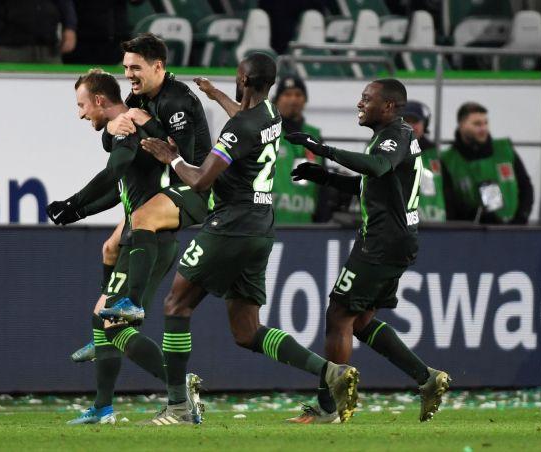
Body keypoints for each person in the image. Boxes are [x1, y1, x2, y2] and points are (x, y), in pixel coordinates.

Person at [140, 53, 359, 426]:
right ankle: (331, 373)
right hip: (260, 228)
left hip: (230, 225)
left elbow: (200, 180)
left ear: (242, 79)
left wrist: (171, 157)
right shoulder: (272, 114)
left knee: (177, 305)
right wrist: (216, 96)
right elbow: (244, 119)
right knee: (247, 330)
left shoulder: (238, 127)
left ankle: (178, 407)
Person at [287, 79, 450, 423]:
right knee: (359, 321)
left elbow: (376, 167)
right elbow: (373, 183)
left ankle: (326, 406)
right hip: (394, 239)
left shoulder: (396, 134)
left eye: (366, 99)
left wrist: (323, 149)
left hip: (381, 241)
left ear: (389, 106)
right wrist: (326, 177)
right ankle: (426, 378)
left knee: (338, 316)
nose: (359, 104)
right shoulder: (392, 136)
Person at [46, 69, 202, 425]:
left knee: (114, 326)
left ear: (100, 100)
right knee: (103, 319)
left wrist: (73, 202)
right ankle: (103, 408)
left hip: (151, 240)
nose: (81, 113)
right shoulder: (121, 128)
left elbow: (115, 171)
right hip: (140, 235)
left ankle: (178, 388)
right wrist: (77, 210)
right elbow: (120, 189)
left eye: (83, 104)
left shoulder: (127, 129)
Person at [92, 33, 213, 324]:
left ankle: (131, 303)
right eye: (125, 67)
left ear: (157, 66)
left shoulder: (177, 101)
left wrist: (151, 125)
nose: (128, 75)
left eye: (135, 68)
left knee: (143, 218)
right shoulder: (138, 98)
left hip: (194, 189)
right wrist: (110, 131)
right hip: (163, 191)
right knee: (109, 247)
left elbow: (181, 159)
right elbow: (114, 143)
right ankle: (110, 303)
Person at [441, 102, 533, 224]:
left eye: (486, 123)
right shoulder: (448, 160)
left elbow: (526, 186)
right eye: (477, 124)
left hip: (514, 229)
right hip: (471, 233)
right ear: (462, 125)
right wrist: (476, 217)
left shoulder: (505, 150)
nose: (483, 128)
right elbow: (449, 202)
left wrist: (522, 217)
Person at [271, 75, 323, 224]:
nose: (293, 99)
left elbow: (323, 186)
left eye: (298, 94)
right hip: (270, 225)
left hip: (306, 225)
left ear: (305, 100)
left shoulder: (315, 136)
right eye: (287, 94)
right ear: (277, 100)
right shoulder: (266, 133)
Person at [0, 0, 77, 63]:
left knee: (54, 103)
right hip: (8, 51)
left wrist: (70, 27)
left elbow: (65, 2)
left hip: (49, 51)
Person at [401, 100, 446, 222]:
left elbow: (447, 191)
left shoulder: (435, 155)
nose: (410, 126)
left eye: (415, 122)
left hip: (436, 225)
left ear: (424, 125)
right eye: (406, 121)